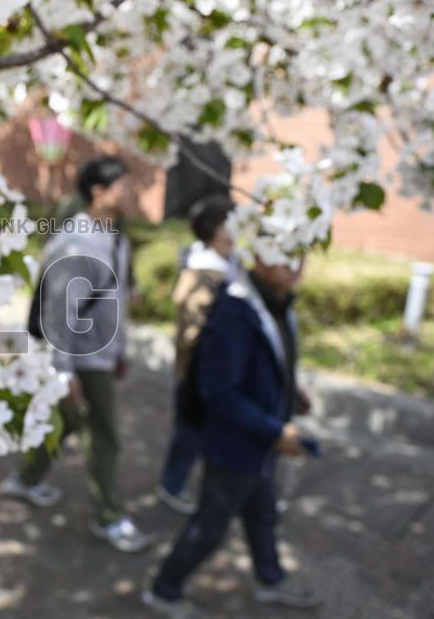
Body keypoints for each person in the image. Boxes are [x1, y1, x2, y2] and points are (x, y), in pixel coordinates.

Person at [143, 256, 322, 617]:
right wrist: (275, 430)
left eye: (301, 254)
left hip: (261, 442)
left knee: (262, 514)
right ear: (258, 254)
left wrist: (289, 390)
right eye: (284, 253)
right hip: (236, 445)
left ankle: (270, 579)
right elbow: (219, 392)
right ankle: (164, 590)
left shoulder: (276, 302)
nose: (294, 265)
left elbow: (266, 362)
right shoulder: (235, 311)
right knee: (210, 525)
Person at [1, 155, 150, 553]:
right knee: (105, 438)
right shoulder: (77, 241)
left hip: (100, 352)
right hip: (83, 357)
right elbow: (60, 314)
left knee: (64, 422)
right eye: (122, 186)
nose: (129, 193)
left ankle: (25, 480)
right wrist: (63, 373)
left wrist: (118, 349)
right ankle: (110, 517)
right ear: (98, 192)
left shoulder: (112, 234)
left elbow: (111, 297)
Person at [156, 196, 240, 514]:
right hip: (199, 370)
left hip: (219, 370)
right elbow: (196, 331)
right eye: (229, 222)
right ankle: (172, 485)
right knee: (190, 431)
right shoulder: (202, 272)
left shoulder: (231, 263)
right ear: (213, 230)